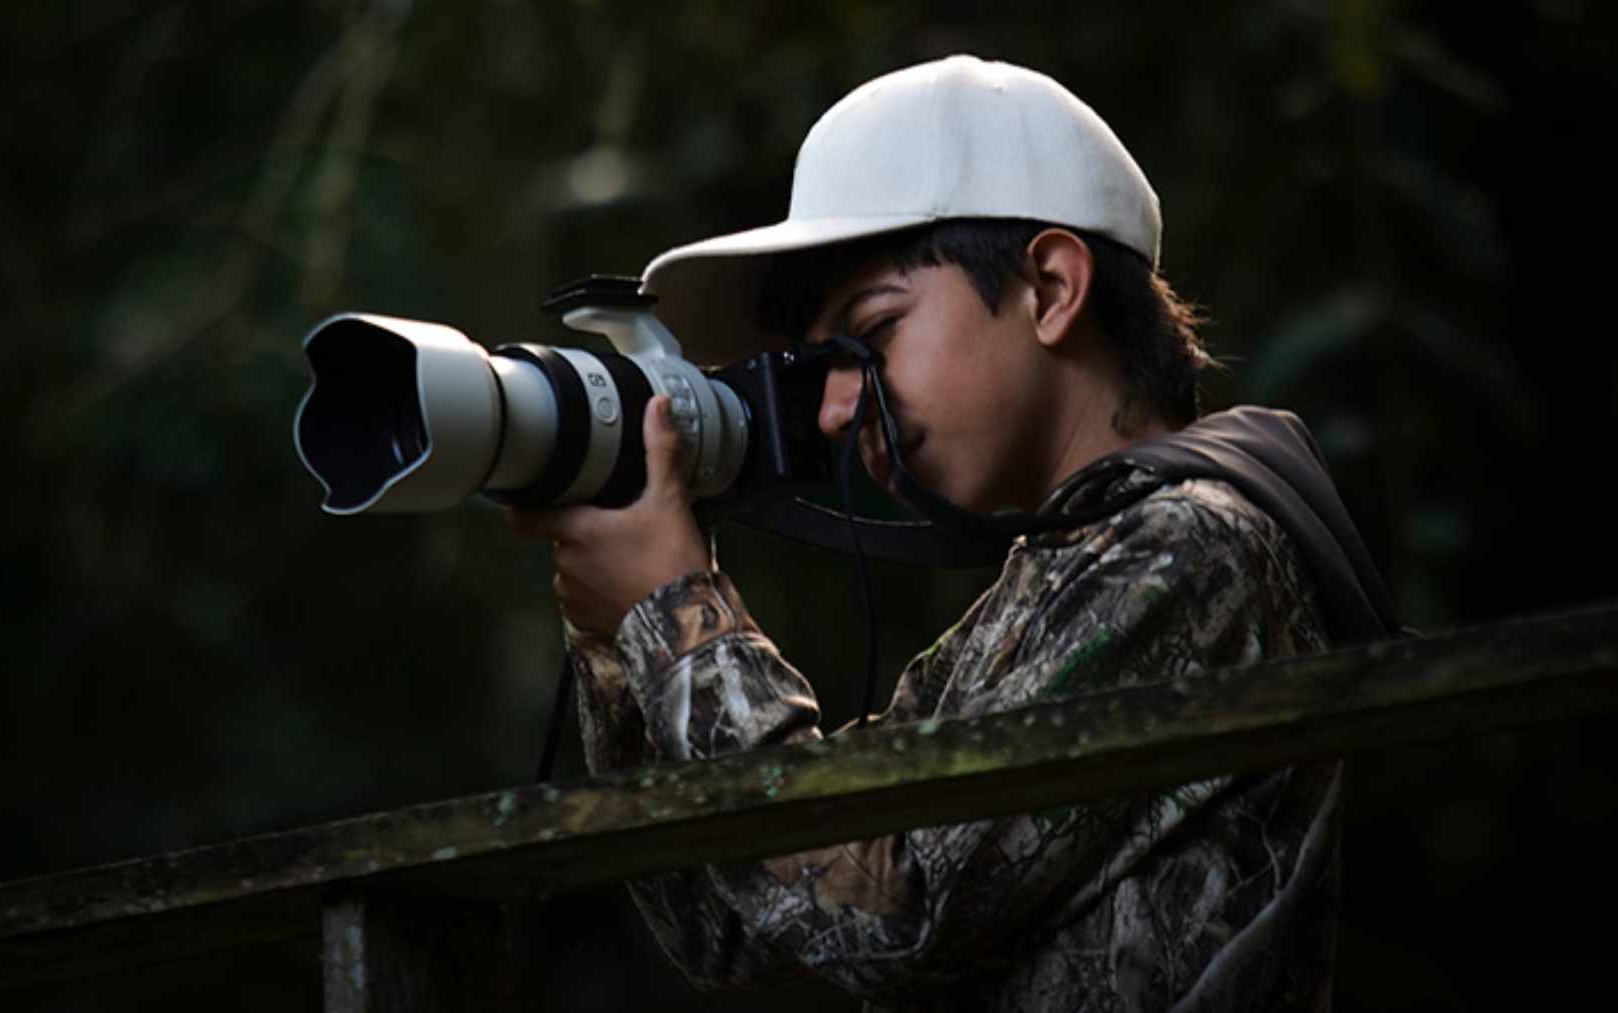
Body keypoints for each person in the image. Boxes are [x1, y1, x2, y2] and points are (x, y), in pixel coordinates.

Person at [509, 55, 1394, 1011]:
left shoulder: (1191, 550)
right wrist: (624, 642)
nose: (838, 409)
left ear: (1051, 289)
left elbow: (891, 915)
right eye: (823, 366)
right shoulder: (1043, 590)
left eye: (873, 333)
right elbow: (730, 923)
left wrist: (676, 605)